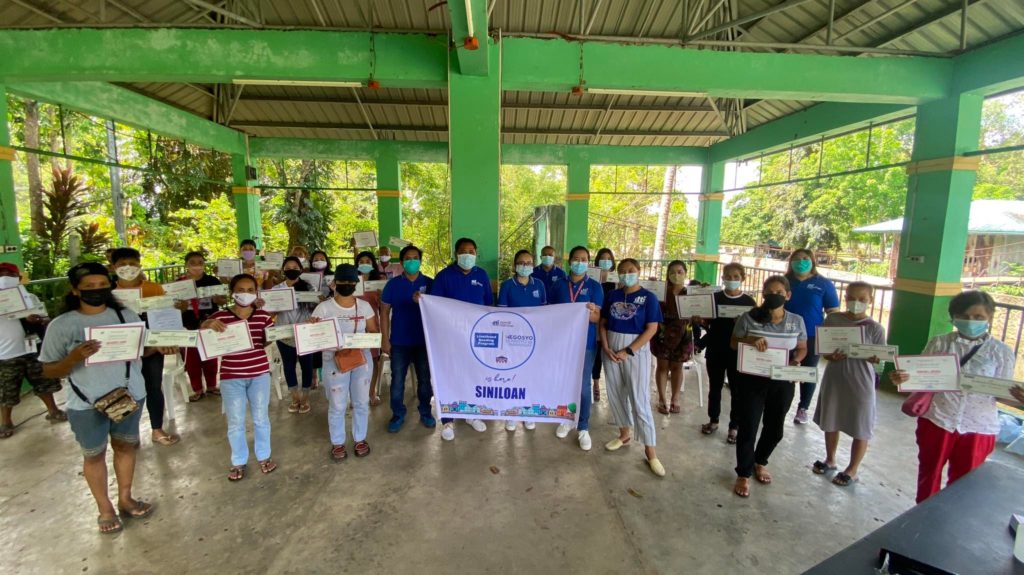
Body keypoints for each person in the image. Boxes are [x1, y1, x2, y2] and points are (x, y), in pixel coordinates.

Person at [39, 262, 158, 534]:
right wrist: (73, 358)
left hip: (130, 395)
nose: (97, 291)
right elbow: (48, 369)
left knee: (126, 446)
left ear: (111, 286)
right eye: (89, 287)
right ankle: (105, 508)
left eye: (102, 286)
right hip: (86, 403)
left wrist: (161, 345)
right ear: (75, 291)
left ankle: (125, 497)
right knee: (94, 455)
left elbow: (143, 350)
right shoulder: (62, 325)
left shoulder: (126, 316)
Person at [890, 290, 1021, 503]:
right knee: (928, 476)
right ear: (954, 317)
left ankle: (950, 526)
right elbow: (920, 378)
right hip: (938, 419)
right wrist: (903, 378)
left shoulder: (1001, 352)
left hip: (977, 426)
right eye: (964, 316)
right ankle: (923, 518)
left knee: (964, 484)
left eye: (978, 317)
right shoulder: (940, 343)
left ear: (989, 318)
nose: (971, 322)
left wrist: (1019, 399)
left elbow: (1001, 393)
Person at [730, 275, 808, 498]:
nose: (775, 296)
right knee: (749, 427)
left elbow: (802, 347)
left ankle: (760, 461)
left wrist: (796, 361)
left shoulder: (796, 321)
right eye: (770, 292)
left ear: (788, 295)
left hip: (782, 380)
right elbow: (734, 343)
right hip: (752, 379)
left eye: (780, 293)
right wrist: (751, 339)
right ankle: (743, 473)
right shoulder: (749, 318)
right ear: (763, 294)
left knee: (775, 428)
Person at [201, 274, 277, 481]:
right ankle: (238, 461)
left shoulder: (263, 316)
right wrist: (206, 325)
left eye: (250, 290)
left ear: (256, 293)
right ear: (232, 292)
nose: (246, 294)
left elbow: (269, 340)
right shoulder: (219, 318)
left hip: (259, 373)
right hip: (231, 376)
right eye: (241, 290)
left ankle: (264, 456)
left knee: (261, 418)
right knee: (235, 421)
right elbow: (204, 339)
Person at [812, 282, 887, 487]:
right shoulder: (834, 319)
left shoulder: (875, 328)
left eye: (862, 299)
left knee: (861, 423)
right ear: (845, 298)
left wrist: (874, 358)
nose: (856, 302)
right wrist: (830, 355)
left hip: (861, 380)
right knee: (831, 417)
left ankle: (852, 469)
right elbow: (823, 349)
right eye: (852, 297)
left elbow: (881, 359)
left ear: (870, 301)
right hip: (835, 375)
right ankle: (830, 459)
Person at [600, 258, 665, 477]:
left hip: (635, 352)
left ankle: (651, 452)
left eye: (631, 271)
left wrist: (628, 351)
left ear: (638, 271)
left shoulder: (648, 298)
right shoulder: (613, 296)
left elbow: (652, 328)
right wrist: (607, 346)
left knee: (639, 399)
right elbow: (603, 323)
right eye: (622, 271)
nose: (627, 274)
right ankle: (624, 434)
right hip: (610, 350)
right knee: (616, 394)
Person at [311, 264, 380, 461]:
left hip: (361, 359)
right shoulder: (323, 308)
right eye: (343, 281)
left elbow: (373, 331)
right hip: (334, 361)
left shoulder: (364, 307)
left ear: (356, 284)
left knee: (361, 401)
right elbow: (313, 335)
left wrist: (372, 338)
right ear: (334, 283)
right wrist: (313, 328)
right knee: (338, 404)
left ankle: (360, 438)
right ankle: (338, 443)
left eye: (351, 282)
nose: (347, 285)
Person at [111, 247, 179, 447]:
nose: (128, 268)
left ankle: (157, 429)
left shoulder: (154, 289)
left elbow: (166, 316)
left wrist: (165, 341)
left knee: (153, 386)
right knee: (121, 390)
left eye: (132, 263)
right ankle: (126, 434)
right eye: (122, 264)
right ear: (113, 267)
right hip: (121, 347)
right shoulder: (109, 293)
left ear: (140, 264)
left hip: (152, 345)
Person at [431, 237, 494, 440]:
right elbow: (435, 306)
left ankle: (470, 413)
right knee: (449, 376)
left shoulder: (482, 275)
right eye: (463, 251)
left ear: (476, 254)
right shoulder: (444, 277)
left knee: (474, 375)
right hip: (450, 337)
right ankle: (448, 421)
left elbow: (488, 306)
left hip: (475, 337)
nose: (468, 255)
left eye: (472, 251)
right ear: (456, 254)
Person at [0, 262, 66, 438]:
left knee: (43, 382)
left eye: (10, 274)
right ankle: (5, 421)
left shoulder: (31, 298)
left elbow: (44, 318)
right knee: (8, 389)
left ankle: (53, 411)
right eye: (1, 274)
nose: (4, 278)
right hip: (6, 353)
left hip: (32, 348)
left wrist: (36, 320)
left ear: (19, 278)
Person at [548, 246, 603, 450]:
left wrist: (589, 313)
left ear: (587, 263)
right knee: (563, 382)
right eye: (576, 259)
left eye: (583, 259)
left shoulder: (595, 287)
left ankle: (583, 426)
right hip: (562, 344)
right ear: (569, 261)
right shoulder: (558, 285)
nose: (579, 262)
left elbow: (597, 317)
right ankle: (565, 418)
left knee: (583, 386)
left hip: (586, 343)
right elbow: (551, 313)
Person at [380, 245, 435, 433]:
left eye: (415, 258)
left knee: (425, 381)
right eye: (408, 258)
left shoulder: (430, 283)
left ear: (420, 260)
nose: (412, 261)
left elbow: (439, 311)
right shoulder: (393, 284)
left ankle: (426, 412)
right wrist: (384, 339)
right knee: (397, 382)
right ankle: (397, 414)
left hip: (423, 342)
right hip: (399, 342)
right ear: (402, 262)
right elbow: (384, 311)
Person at [699, 263, 756, 443]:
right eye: (728, 276)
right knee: (714, 387)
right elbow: (706, 323)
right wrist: (699, 319)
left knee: (737, 390)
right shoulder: (714, 298)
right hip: (715, 349)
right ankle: (713, 420)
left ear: (742, 279)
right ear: (722, 278)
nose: (731, 280)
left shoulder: (749, 303)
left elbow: (754, 329)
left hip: (738, 352)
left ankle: (734, 427)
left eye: (736, 277)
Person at [784, 249, 840, 424]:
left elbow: (833, 313)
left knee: (807, 372)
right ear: (790, 261)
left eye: (805, 259)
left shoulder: (823, 284)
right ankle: (779, 403)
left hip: (811, 335)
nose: (801, 262)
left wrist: (831, 338)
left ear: (813, 262)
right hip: (784, 334)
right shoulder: (784, 282)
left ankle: (803, 408)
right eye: (797, 259)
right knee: (784, 369)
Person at [498, 249, 547, 433]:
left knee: (530, 377)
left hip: (533, 340)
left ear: (533, 264)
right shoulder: (507, 285)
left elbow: (544, 313)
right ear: (514, 265)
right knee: (512, 377)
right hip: (511, 340)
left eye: (528, 263)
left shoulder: (539, 285)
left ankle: (528, 413)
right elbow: (502, 312)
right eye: (521, 262)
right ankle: (511, 415)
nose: (525, 266)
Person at [175, 251, 226, 402]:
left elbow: (223, 300)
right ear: (186, 265)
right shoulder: (180, 283)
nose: (197, 266)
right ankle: (197, 389)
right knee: (192, 359)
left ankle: (211, 386)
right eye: (193, 263)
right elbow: (174, 307)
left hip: (210, 322)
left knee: (210, 356)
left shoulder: (212, 280)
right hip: (188, 325)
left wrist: (218, 300)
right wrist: (181, 307)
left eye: (200, 263)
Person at [272, 256, 317, 413]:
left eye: (295, 266)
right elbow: (270, 312)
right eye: (288, 267)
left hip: (305, 333)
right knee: (288, 365)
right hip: (284, 334)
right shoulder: (276, 289)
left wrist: (319, 301)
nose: (291, 269)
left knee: (307, 366)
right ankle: (294, 396)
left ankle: (305, 397)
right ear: (283, 270)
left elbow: (315, 309)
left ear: (301, 269)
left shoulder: (309, 288)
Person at [651, 260, 694, 415]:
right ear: (667, 274)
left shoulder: (691, 293)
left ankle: (675, 398)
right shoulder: (661, 292)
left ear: (685, 274)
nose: (676, 275)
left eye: (680, 272)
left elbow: (700, 313)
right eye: (672, 272)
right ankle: (662, 399)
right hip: (662, 333)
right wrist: (651, 286)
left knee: (677, 367)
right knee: (662, 367)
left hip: (684, 335)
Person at [355, 251, 386, 407]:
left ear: (373, 264)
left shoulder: (379, 282)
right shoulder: (352, 282)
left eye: (368, 260)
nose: (365, 263)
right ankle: (355, 394)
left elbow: (384, 307)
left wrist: (382, 299)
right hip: (353, 328)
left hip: (372, 326)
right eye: (361, 260)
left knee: (373, 361)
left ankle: (371, 392)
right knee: (354, 359)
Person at [591, 247, 617, 402]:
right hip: (593, 321)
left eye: (609, 258)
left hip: (609, 323)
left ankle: (608, 388)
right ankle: (595, 384)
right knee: (594, 355)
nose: (606, 261)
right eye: (602, 258)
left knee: (606, 353)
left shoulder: (617, 279)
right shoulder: (592, 278)